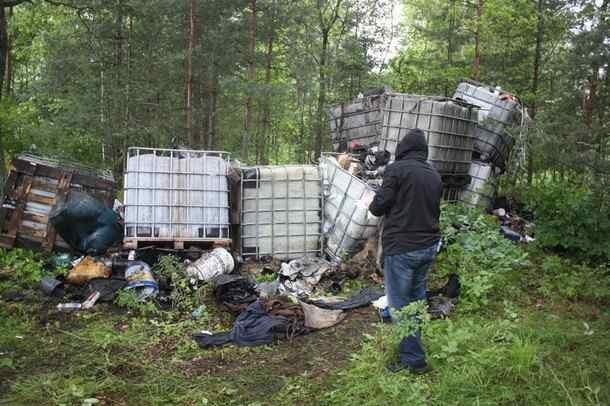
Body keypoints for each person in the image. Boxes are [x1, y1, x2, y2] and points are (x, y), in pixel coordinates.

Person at [368, 128, 442, 374]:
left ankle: (413, 359)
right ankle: (413, 343)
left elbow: (377, 208)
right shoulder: (434, 174)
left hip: (402, 249)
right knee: (416, 300)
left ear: (403, 149)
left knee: (400, 304)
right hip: (428, 247)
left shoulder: (396, 170)